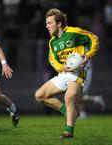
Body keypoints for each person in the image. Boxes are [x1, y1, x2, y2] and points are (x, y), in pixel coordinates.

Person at [35, 8, 99, 139]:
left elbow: (93, 38)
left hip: (78, 73)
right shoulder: (52, 41)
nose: (47, 26)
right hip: (64, 73)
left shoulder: (74, 32)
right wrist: (61, 67)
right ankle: (71, 112)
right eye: (46, 23)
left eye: (49, 23)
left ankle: (68, 131)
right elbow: (52, 59)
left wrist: (88, 55)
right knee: (39, 96)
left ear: (59, 23)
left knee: (69, 97)